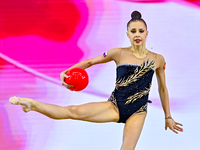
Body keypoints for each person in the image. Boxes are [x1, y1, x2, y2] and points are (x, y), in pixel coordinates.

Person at [9, 10, 183, 150]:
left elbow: (162, 89)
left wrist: (168, 116)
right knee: (72, 111)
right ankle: (32, 104)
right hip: (115, 105)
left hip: (138, 111)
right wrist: (68, 71)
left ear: (147, 34)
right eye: (133, 31)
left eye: (140, 31)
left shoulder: (158, 59)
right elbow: (91, 61)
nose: (137, 34)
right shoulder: (118, 53)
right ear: (128, 34)